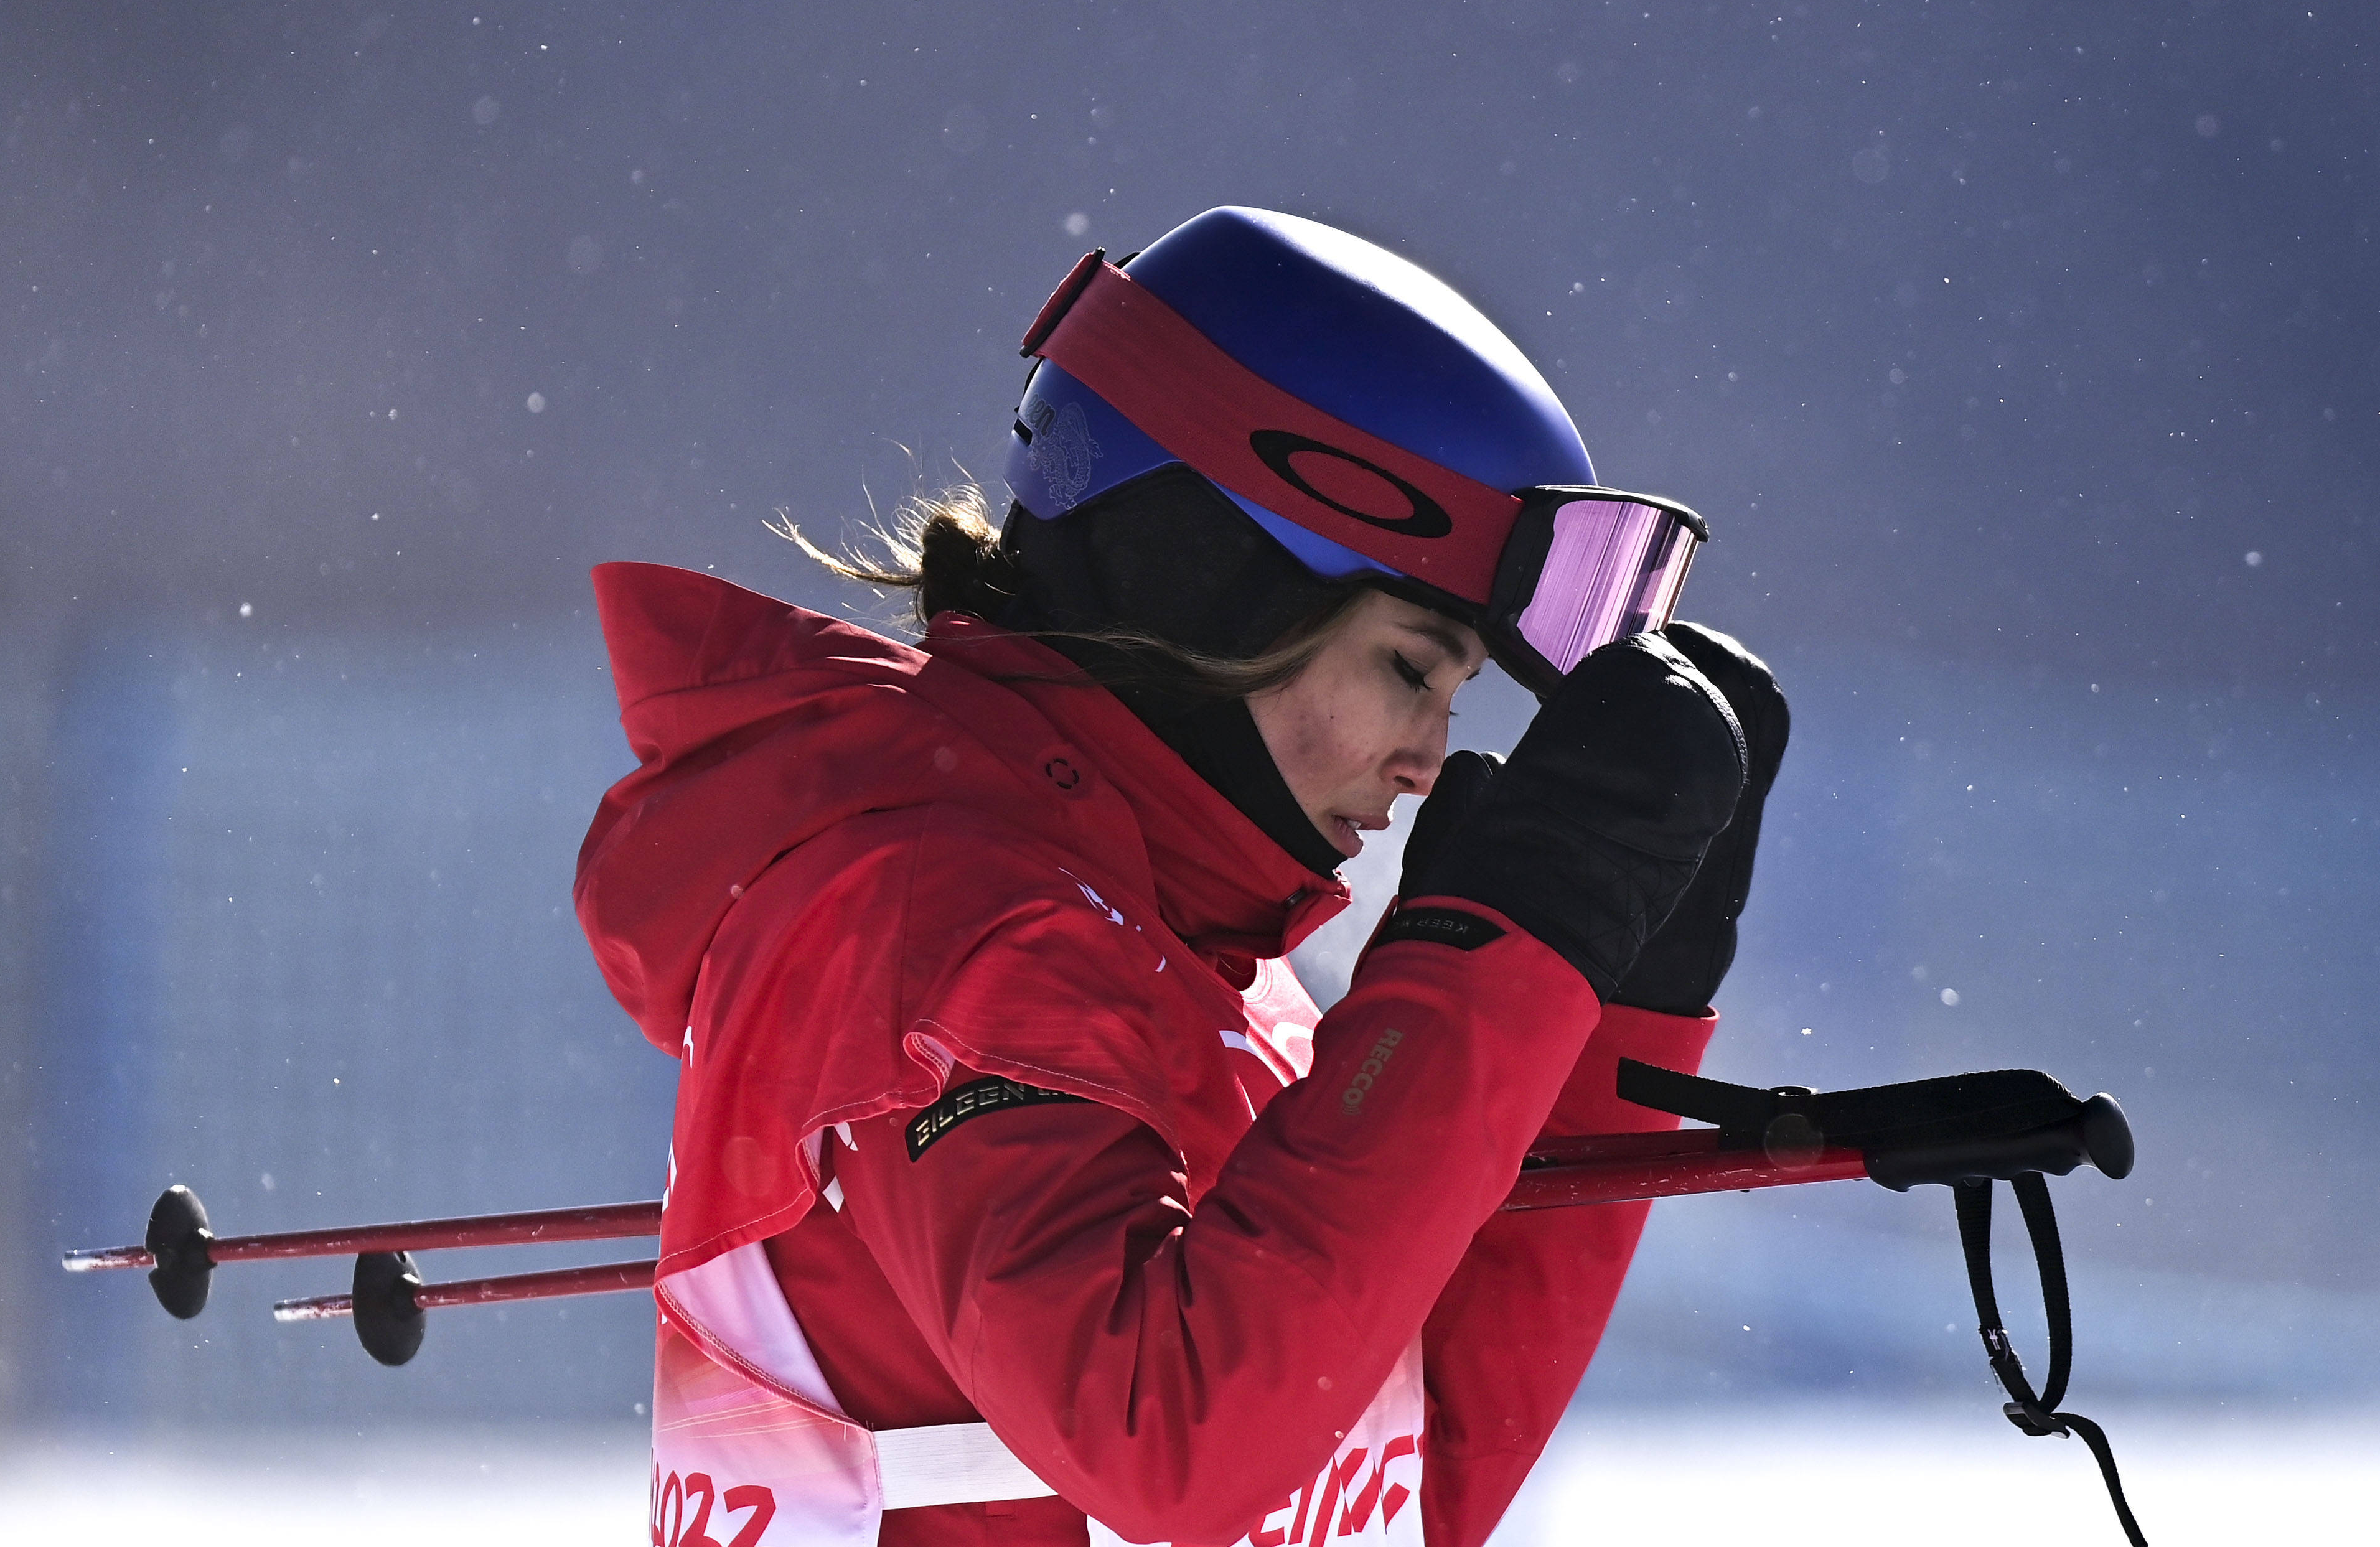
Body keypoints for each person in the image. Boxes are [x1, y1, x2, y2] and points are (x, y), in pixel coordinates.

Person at [574, 207, 1789, 1547]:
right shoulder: (933, 914)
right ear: (1206, 583)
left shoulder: (1206, 973)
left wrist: (1609, 997)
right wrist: (1503, 940)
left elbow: (1395, 1478)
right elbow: (1173, 1443)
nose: (1430, 758)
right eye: (1409, 667)